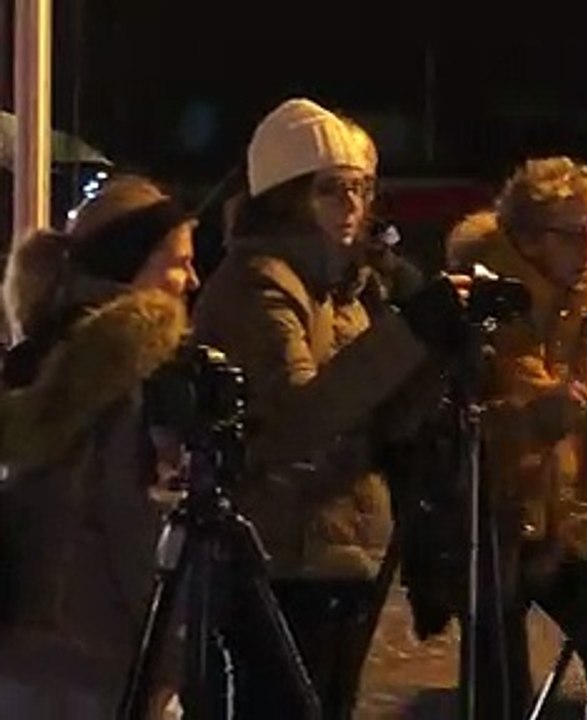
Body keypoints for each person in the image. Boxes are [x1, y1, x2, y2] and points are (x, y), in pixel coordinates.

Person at [192, 97, 468, 718]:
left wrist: (439, 354)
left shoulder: (344, 286)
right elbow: (298, 419)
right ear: (286, 195)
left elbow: (377, 418)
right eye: (332, 191)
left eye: (362, 190)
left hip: (341, 549)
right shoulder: (259, 282)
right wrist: (410, 335)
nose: (352, 207)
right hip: (282, 556)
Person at [445, 157, 587, 718]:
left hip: (565, 513)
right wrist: (536, 412)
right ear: (529, 238)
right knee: (499, 690)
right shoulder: (480, 292)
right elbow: (467, 410)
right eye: (574, 234)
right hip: (488, 518)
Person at [0, 176, 201, 719]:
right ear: (131, 261)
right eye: (178, 261)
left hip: (20, 651)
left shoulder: (34, 354)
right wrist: (170, 664)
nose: (191, 279)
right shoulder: (126, 371)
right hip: (102, 658)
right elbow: (134, 531)